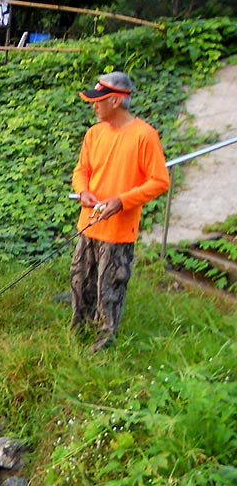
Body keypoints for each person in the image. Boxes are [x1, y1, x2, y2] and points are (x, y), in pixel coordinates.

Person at [70, 71, 170, 352]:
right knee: (80, 279)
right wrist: (82, 191)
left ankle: (105, 340)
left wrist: (122, 201)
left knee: (110, 286)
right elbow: (81, 171)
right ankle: (79, 329)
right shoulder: (94, 133)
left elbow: (160, 181)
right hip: (88, 223)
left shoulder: (144, 135)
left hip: (119, 231)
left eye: (98, 101)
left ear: (115, 101)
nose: (94, 105)